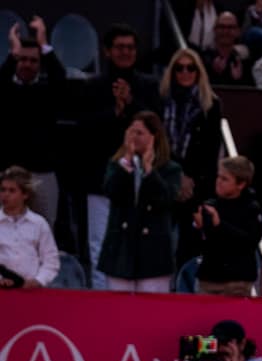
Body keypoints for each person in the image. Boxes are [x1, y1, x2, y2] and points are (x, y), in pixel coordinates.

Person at [82, 24, 162, 290]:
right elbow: (85, 129)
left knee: (137, 243)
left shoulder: (149, 86)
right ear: (107, 51)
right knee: (99, 243)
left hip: (140, 179)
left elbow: (155, 127)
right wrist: (115, 111)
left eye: (130, 47)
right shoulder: (93, 86)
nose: (125, 52)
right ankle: (100, 300)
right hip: (100, 177)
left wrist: (130, 104)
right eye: (119, 47)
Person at [96, 111, 182, 293]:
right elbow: (110, 191)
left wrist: (150, 171)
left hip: (153, 253)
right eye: (131, 132)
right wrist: (126, 162)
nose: (134, 137)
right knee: (118, 310)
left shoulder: (170, 169)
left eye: (140, 133)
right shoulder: (117, 165)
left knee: (152, 311)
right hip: (121, 250)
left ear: (154, 137)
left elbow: (165, 200)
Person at [0, 18, 66, 227]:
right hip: (9, 173)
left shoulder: (48, 91)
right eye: (23, 59)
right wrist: (12, 54)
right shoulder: (7, 91)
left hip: (42, 173)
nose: (27, 64)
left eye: (33, 60)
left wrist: (44, 44)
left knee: (44, 229)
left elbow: (60, 78)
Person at [161, 47, 224, 267]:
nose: (185, 72)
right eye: (179, 68)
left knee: (190, 248)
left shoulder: (211, 105)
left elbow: (210, 150)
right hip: (166, 182)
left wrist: (189, 181)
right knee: (161, 247)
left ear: (199, 72)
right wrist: (176, 176)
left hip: (197, 187)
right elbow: (158, 145)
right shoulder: (161, 101)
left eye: (191, 68)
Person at [193, 156, 262, 296]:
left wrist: (220, 224)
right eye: (218, 177)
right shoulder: (210, 205)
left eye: (225, 179)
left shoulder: (251, 209)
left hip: (236, 282)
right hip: (208, 280)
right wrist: (199, 225)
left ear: (241, 184)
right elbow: (201, 242)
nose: (218, 182)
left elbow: (250, 241)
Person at [0, 166, 59, 289]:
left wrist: (39, 280)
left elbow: (51, 259)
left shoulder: (39, 223)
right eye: (3, 190)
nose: (5, 195)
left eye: (12, 191)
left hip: (32, 291)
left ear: (25, 194)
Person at [202, 12, 253, 87]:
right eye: (222, 27)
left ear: (238, 31)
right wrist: (215, 74)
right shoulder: (203, 59)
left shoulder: (244, 61)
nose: (226, 31)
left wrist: (238, 80)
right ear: (215, 30)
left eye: (230, 27)